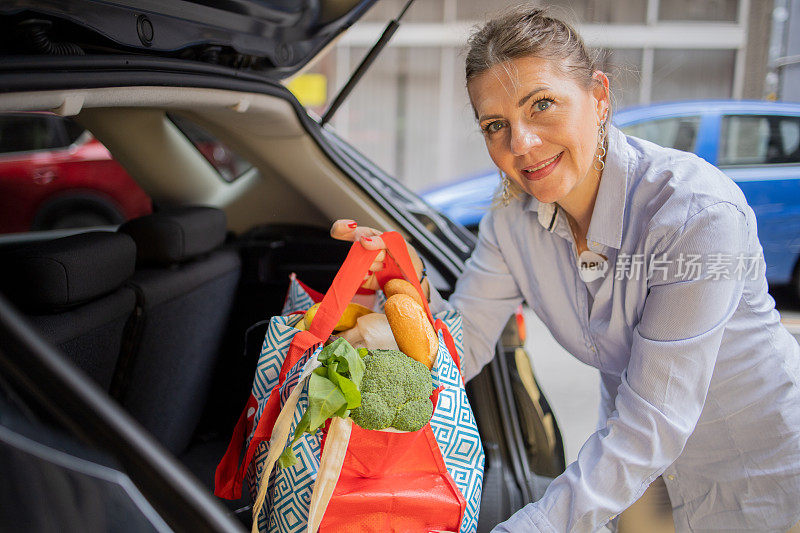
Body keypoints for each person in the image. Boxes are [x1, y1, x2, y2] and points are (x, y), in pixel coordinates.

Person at [331, 6, 800, 532]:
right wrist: (405, 281)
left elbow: (654, 422)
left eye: (543, 105)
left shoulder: (695, 214)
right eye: (495, 125)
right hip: (637, 475)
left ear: (599, 97)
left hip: (762, 473)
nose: (521, 145)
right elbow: (459, 348)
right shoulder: (511, 220)